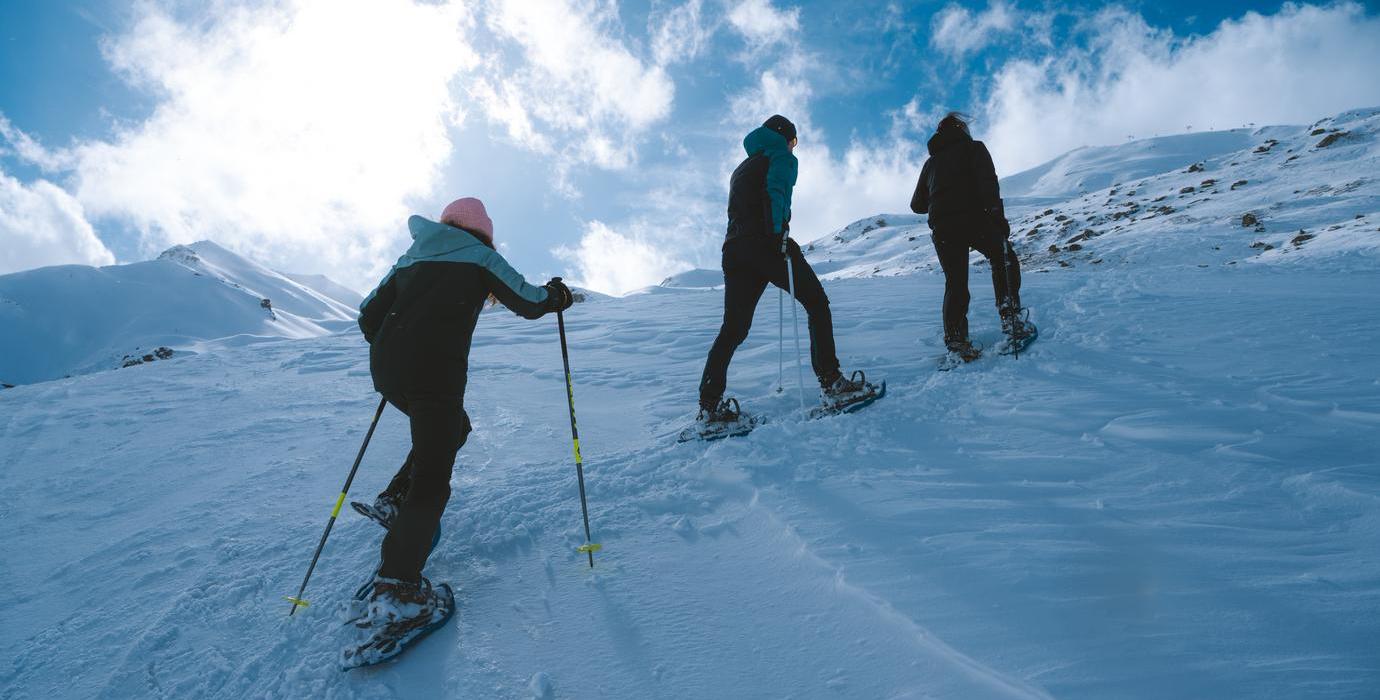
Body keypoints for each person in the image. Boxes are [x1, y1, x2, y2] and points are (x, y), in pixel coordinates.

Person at [355, 197, 573, 633]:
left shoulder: (411, 257)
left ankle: (396, 500)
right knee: (434, 480)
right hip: (435, 373)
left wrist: (401, 344)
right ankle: (397, 589)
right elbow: (529, 301)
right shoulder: (479, 256)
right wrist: (558, 295)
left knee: (456, 428)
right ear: (482, 231)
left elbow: (367, 315)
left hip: (389, 369)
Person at [697, 115, 876, 426]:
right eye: (793, 141)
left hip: (735, 250)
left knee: (733, 329)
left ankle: (709, 406)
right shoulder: (779, 155)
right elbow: (776, 192)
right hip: (767, 244)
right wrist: (778, 233)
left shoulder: (742, 167)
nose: (793, 148)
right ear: (783, 137)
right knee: (817, 304)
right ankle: (831, 382)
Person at [910, 112, 1032, 359]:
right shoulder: (974, 148)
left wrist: (939, 196)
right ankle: (1011, 320)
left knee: (955, 282)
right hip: (974, 219)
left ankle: (956, 341)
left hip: (943, 227)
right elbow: (988, 184)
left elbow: (917, 205)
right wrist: (998, 220)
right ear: (961, 129)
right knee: (1003, 257)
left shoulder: (930, 164)